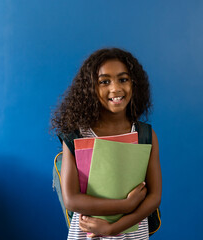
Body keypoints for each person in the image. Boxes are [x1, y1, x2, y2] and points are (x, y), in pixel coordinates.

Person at [51, 48, 162, 240]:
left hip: (132, 235)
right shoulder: (76, 136)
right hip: (87, 235)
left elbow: (154, 197)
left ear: (134, 84)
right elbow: (72, 200)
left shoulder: (145, 134)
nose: (115, 88)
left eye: (123, 79)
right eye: (104, 82)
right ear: (90, 88)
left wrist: (113, 228)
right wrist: (124, 205)